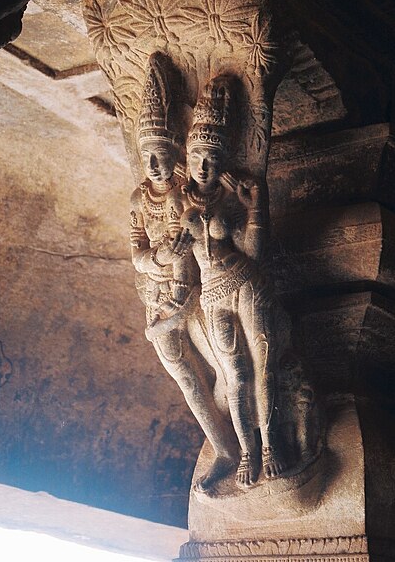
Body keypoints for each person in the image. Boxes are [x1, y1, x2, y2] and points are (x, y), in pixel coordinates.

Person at [130, 54, 238, 492]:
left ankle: (231, 441)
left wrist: (170, 308)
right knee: (187, 376)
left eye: (160, 155)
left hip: (184, 299)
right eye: (146, 157)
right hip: (153, 299)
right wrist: (154, 261)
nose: (154, 166)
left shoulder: (181, 199)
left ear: (176, 150)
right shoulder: (139, 198)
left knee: (214, 368)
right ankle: (225, 443)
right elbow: (137, 252)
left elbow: (185, 263)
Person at [180, 76, 291, 488]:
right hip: (212, 296)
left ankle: (271, 445)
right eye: (196, 158)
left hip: (246, 281)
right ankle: (247, 450)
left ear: (222, 158)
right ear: (187, 159)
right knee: (236, 375)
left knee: (263, 364)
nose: (204, 167)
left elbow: (254, 249)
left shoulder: (230, 193)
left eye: (211, 157)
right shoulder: (177, 201)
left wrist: (254, 206)